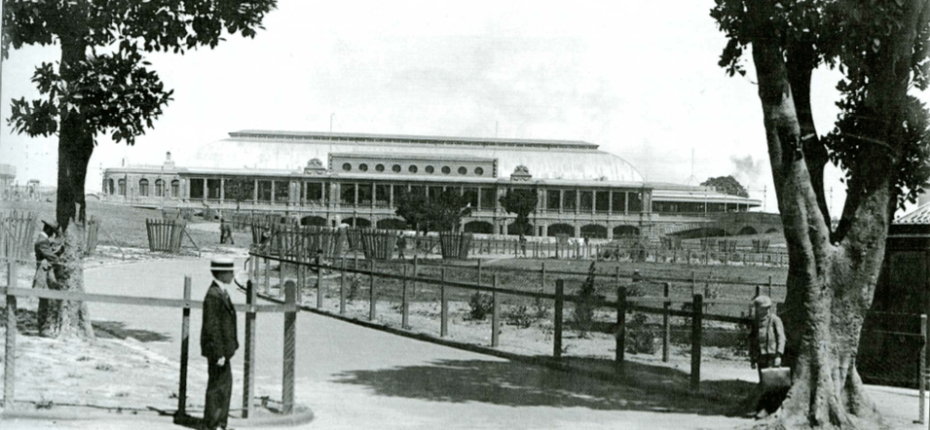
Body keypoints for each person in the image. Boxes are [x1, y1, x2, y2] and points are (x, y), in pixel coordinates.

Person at [200, 257, 239, 430]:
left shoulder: (220, 291)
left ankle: (220, 423)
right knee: (217, 387)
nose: (233, 275)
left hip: (224, 350)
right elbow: (212, 327)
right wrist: (219, 352)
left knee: (224, 386)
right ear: (222, 274)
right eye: (230, 272)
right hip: (218, 351)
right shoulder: (213, 295)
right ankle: (213, 424)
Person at [750, 294, 786, 418]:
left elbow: (781, 337)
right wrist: (753, 358)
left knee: (772, 383)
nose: (762, 311)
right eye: (760, 308)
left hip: (772, 355)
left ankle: (771, 408)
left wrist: (778, 355)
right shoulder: (756, 322)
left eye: (765, 308)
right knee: (763, 382)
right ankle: (764, 408)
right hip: (761, 356)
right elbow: (753, 341)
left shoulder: (775, 320)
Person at [33, 219, 62, 291]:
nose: (53, 234)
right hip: (43, 273)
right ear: (48, 229)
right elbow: (51, 257)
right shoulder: (42, 241)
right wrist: (62, 262)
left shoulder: (43, 240)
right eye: (52, 231)